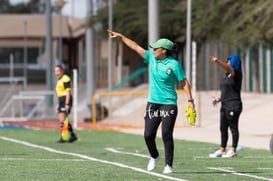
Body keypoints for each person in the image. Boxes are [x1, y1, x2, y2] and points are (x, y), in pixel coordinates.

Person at [107, 30, 195, 174]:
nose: (153, 50)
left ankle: (168, 165)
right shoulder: (151, 58)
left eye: (156, 48)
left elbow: (184, 82)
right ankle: (154, 156)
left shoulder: (174, 65)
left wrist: (190, 100)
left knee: (167, 133)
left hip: (168, 103)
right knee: (148, 135)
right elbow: (135, 47)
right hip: (153, 104)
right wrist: (122, 37)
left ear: (164, 50)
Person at [209, 55, 243, 158]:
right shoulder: (227, 75)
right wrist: (218, 99)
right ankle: (222, 149)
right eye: (227, 61)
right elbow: (227, 91)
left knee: (233, 127)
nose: (227, 63)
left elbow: (229, 68)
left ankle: (233, 149)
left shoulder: (236, 74)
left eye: (230, 61)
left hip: (234, 105)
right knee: (223, 128)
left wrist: (218, 61)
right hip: (224, 105)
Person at [54, 65, 77, 143]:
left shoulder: (65, 79)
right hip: (61, 100)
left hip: (66, 99)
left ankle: (63, 137)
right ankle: (72, 135)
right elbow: (60, 93)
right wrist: (58, 104)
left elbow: (68, 92)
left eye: (58, 71)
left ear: (62, 71)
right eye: (55, 71)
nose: (56, 73)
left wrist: (67, 104)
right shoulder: (59, 80)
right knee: (65, 119)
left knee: (62, 120)